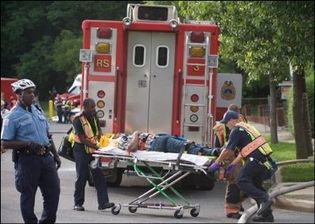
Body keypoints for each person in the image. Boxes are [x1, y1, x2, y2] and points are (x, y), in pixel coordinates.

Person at [0, 78, 61, 223]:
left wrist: (56, 155)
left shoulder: (37, 110)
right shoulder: (12, 116)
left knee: (53, 192)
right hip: (28, 161)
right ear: (19, 95)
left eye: (33, 92)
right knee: (28, 196)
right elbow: (5, 143)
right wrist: (26, 144)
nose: (32, 95)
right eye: (28, 92)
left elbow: (47, 135)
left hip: (46, 159)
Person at [209, 111, 276, 222]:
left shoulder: (236, 129)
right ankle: (267, 215)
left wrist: (216, 163)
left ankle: (265, 200)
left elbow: (228, 150)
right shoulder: (247, 128)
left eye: (226, 122)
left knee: (241, 180)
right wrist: (232, 164)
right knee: (255, 184)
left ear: (232, 120)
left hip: (254, 158)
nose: (226, 125)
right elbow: (243, 152)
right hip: (262, 159)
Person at [72, 98, 114, 211]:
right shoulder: (77, 119)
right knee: (82, 177)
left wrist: (104, 142)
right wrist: (97, 147)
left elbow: (98, 132)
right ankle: (78, 203)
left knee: (99, 176)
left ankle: (103, 203)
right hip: (81, 150)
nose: (94, 109)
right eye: (92, 107)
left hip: (93, 151)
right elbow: (82, 139)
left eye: (94, 107)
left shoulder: (94, 116)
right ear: (85, 107)